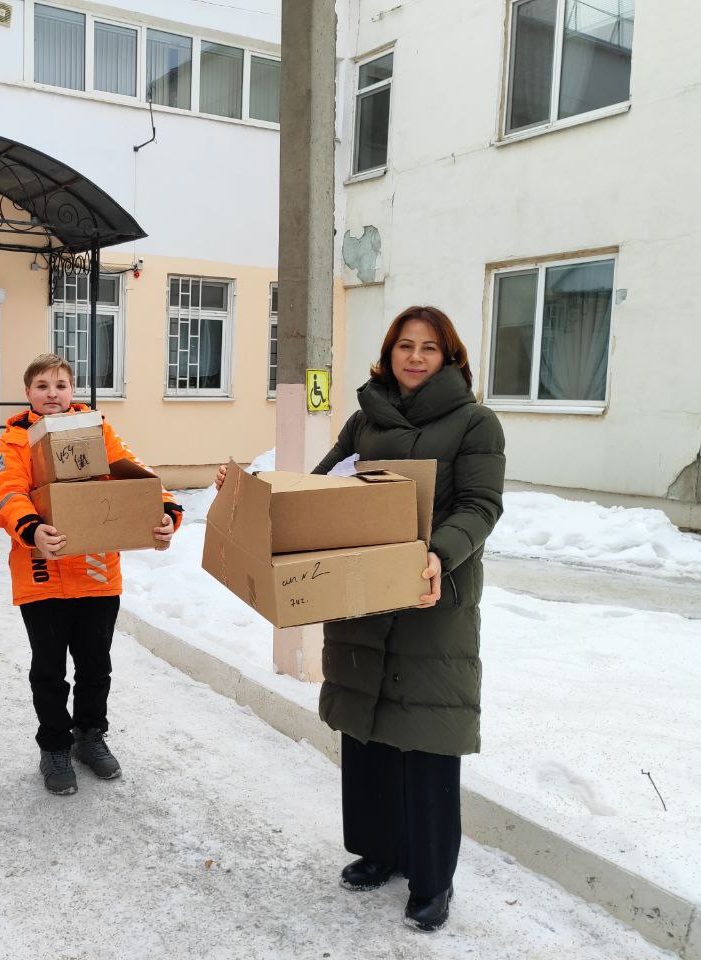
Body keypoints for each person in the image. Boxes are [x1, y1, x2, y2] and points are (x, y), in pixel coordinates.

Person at [216, 306, 504, 932]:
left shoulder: (475, 423)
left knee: (426, 740)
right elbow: (316, 490)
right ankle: (379, 852)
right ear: (389, 352)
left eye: (430, 347)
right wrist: (254, 488)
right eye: (405, 345)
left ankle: (432, 880)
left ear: (449, 356)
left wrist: (437, 555)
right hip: (360, 598)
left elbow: (482, 505)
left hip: (433, 598)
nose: (416, 356)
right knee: (367, 732)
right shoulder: (364, 417)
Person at [0, 354, 182, 795]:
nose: (52, 394)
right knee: (49, 669)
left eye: (60, 385)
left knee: (96, 666)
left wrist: (167, 511)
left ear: (72, 391)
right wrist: (31, 529)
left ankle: (90, 737)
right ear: (28, 394)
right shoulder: (15, 441)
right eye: (42, 386)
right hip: (42, 573)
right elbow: (7, 493)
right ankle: (55, 746)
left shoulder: (96, 430)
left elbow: (137, 474)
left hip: (97, 571)